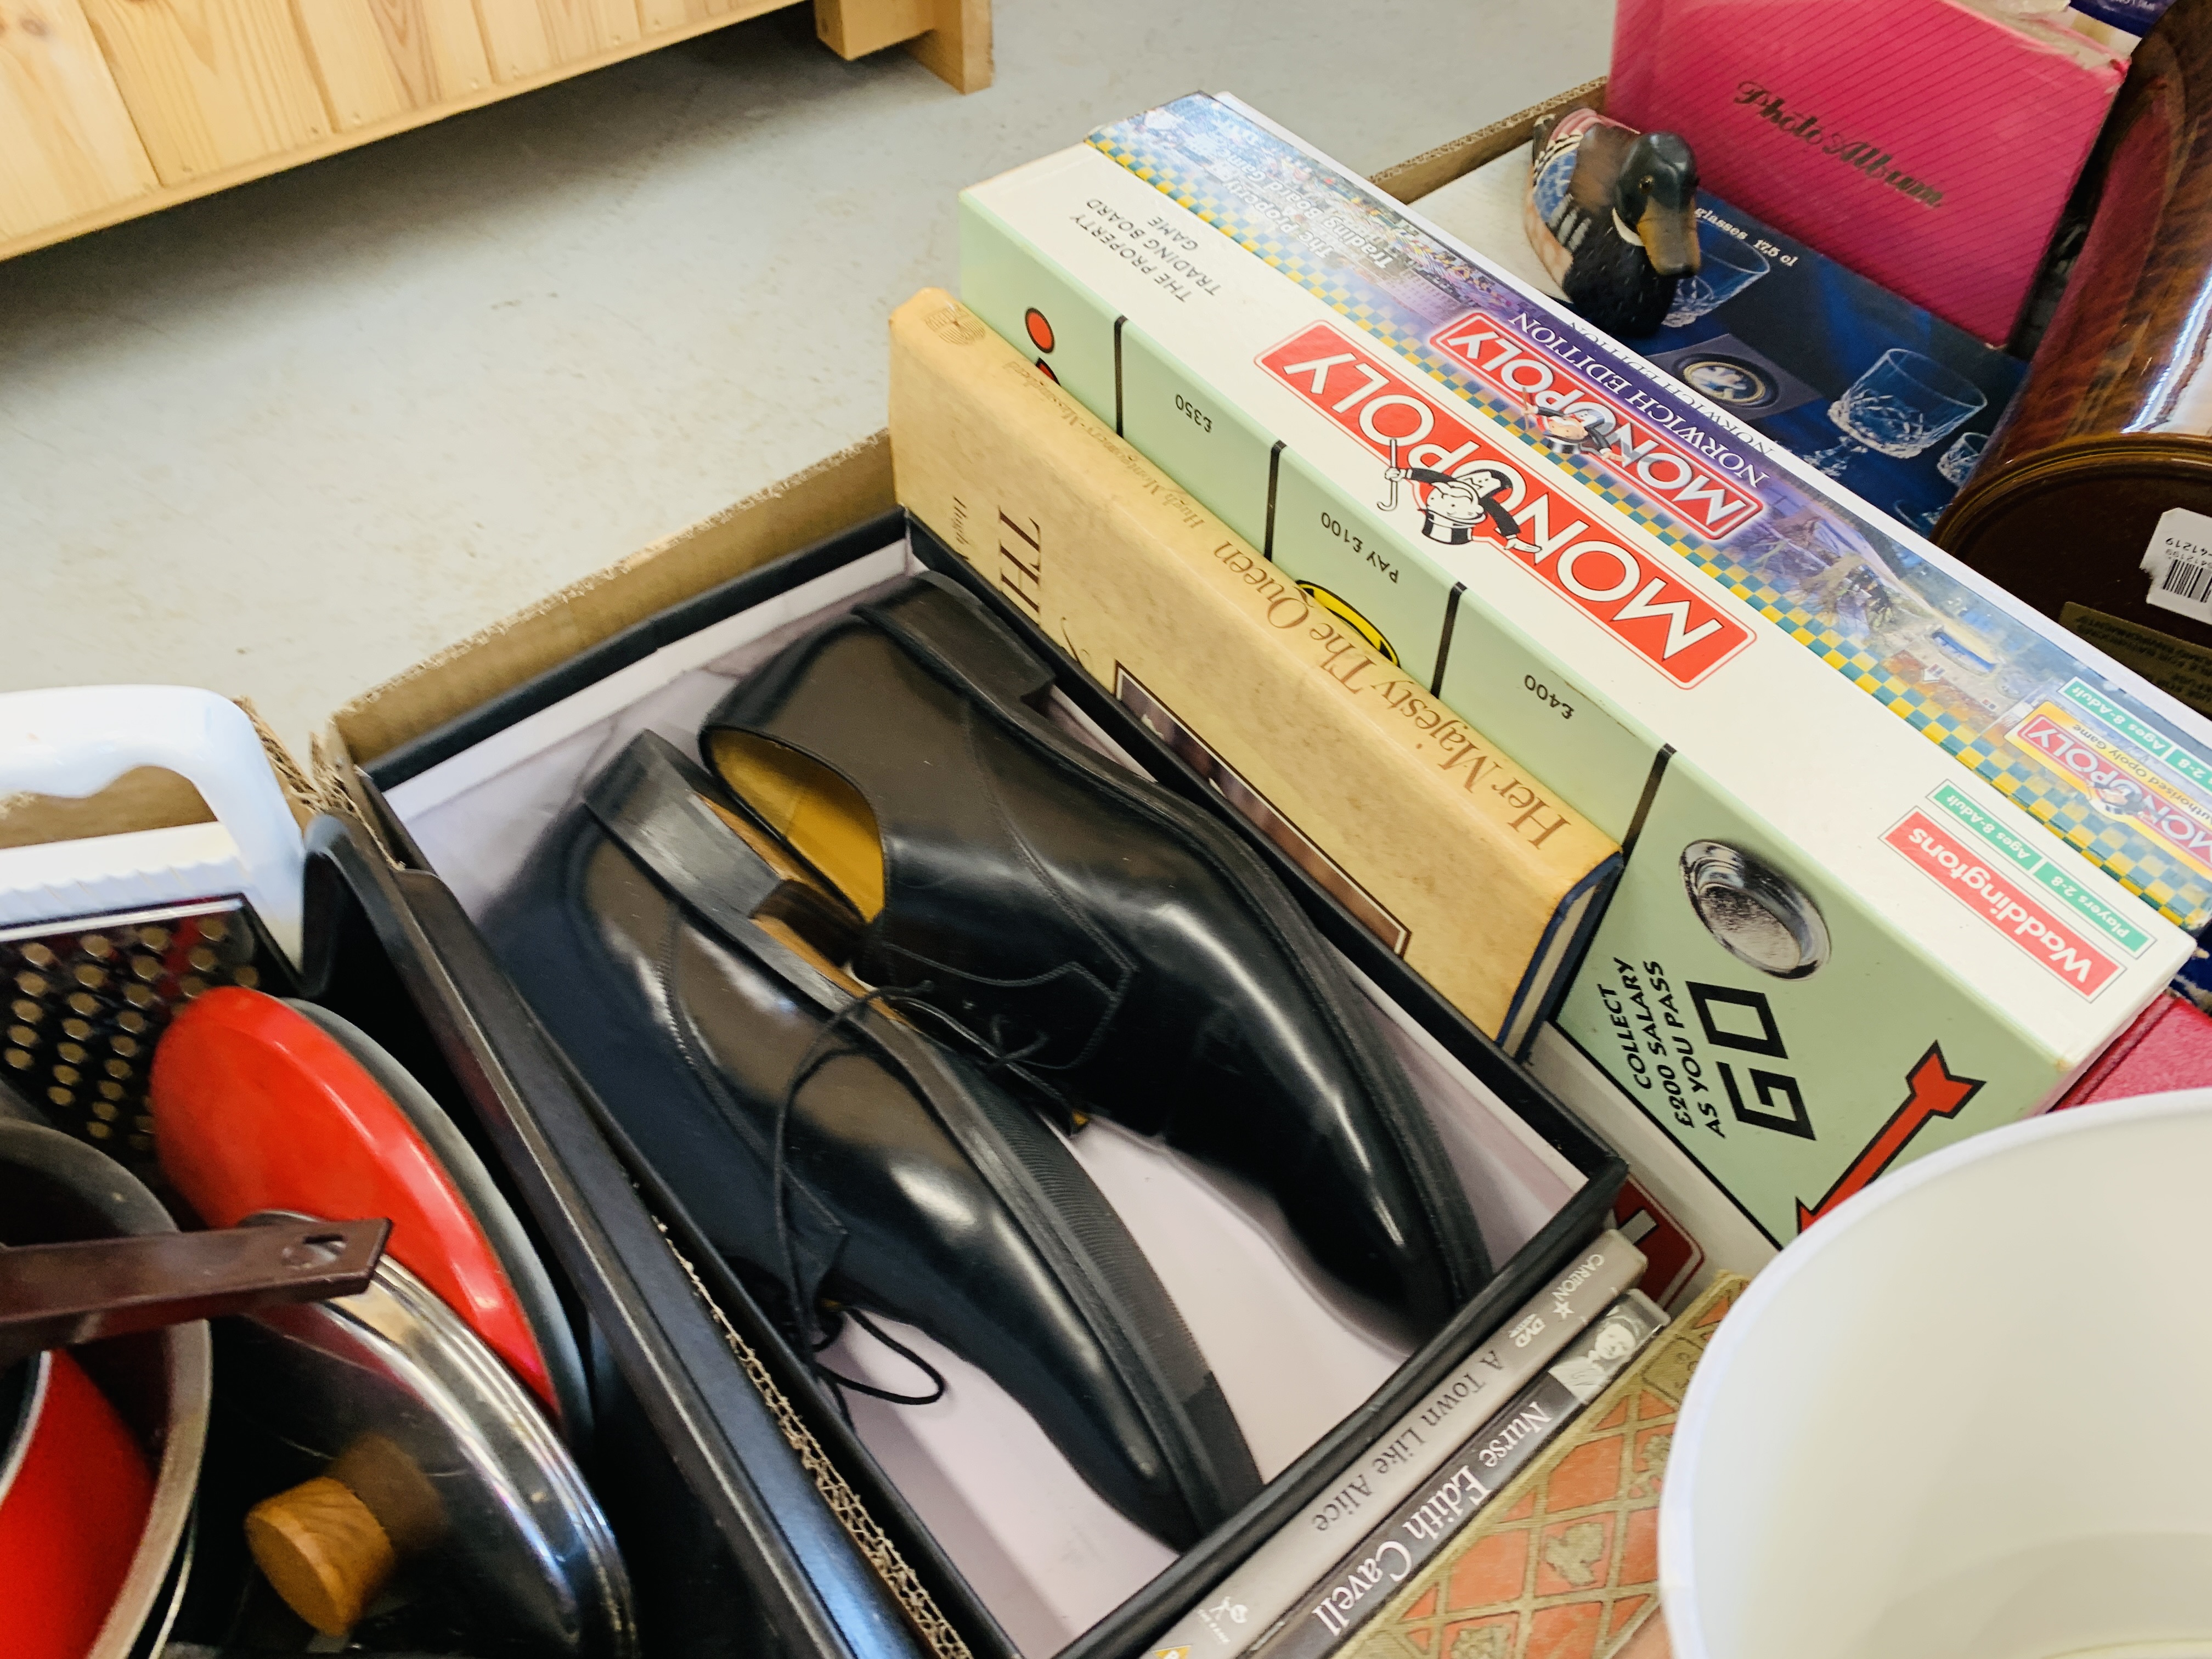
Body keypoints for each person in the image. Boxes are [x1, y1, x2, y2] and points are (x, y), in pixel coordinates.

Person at [1386, 462, 1540, 551]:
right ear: (1475, 512)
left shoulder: (1450, 484)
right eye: (1452, 504)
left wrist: (1404, 473)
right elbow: (1500, 515)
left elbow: (1432, 477)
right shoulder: (1484, 500)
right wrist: (1512, 537)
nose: (1447, 495)